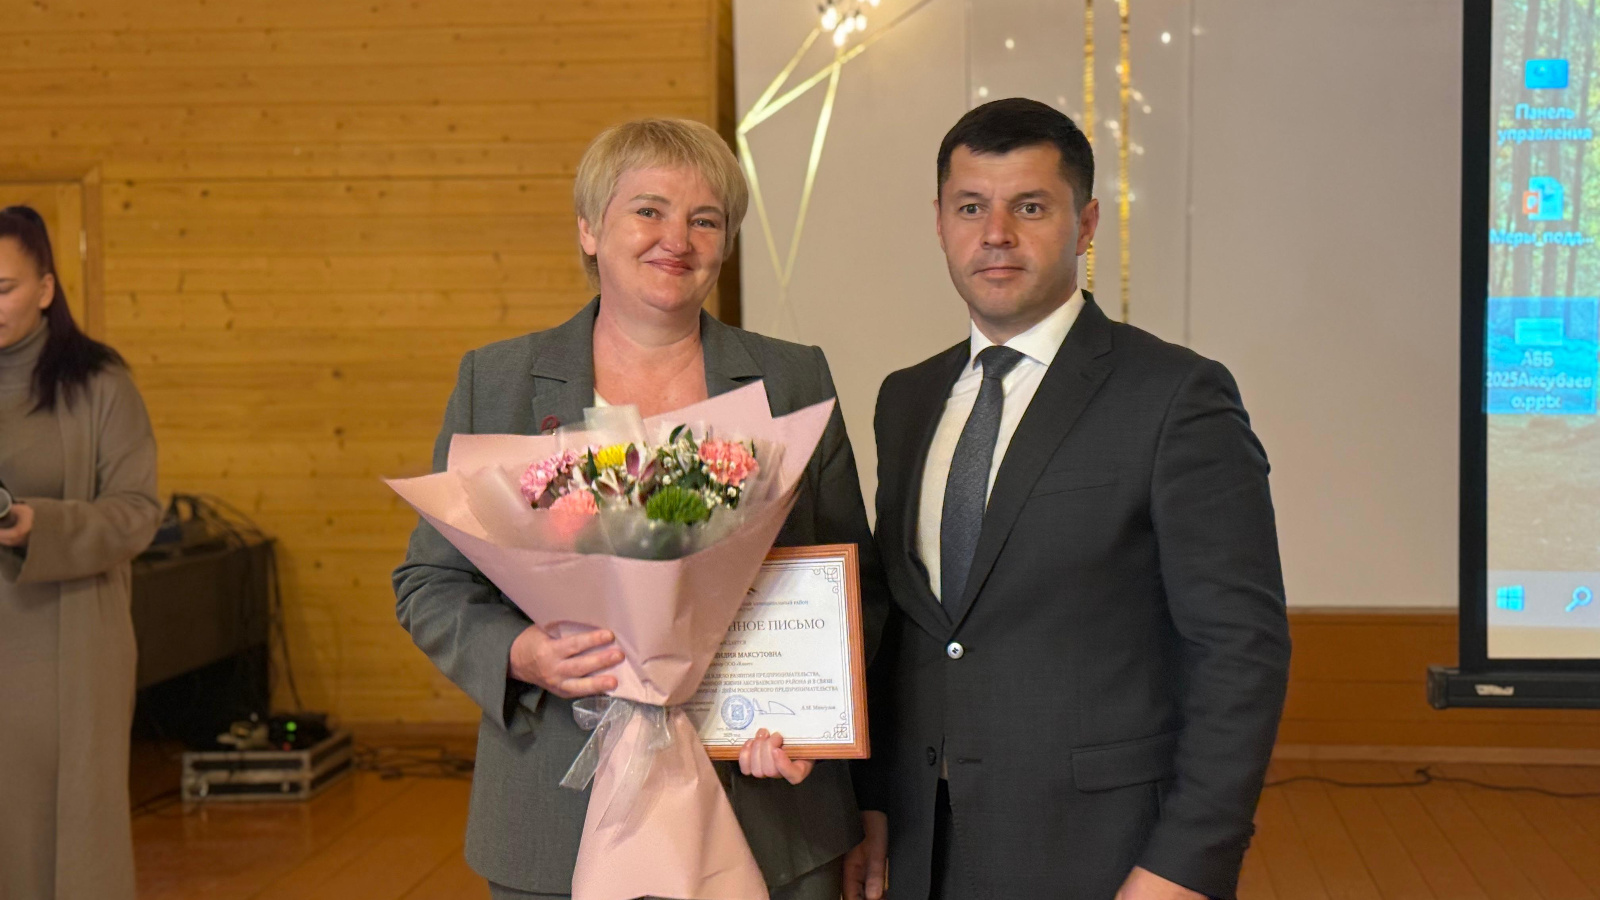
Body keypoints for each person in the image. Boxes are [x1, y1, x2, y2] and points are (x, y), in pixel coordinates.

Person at [393, 118, 886, 899]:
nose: (677, 240)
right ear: (590, 230)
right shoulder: (500, 382)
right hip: (556, 811)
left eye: (705, 220)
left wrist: (809, 719)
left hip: (766, 803)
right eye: (648, 210)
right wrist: (520, 653)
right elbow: (430, 583)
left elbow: (855, 587)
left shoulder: (793, 379)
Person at [845, 98, 1291, 900]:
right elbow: (905, 632)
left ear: (1085, 226)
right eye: (971, 207)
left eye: (1030, 207)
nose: (996, 234)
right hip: (922, 846)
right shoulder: (905, 400)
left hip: (1105, 854)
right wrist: (873, 801)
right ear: (939, 223)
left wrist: (1187, 863)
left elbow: (1241, 650)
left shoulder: (1176, 396)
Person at [0, 205, 162, 900]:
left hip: (63, 647)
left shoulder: (100, 384)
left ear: (45, 288)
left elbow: (137, 513)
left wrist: (41, 524)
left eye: (2, 288)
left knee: (56, 831)